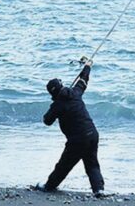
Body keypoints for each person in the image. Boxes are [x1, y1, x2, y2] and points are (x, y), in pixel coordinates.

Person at [36, 59, 105, 197]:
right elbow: (83, 80)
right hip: (92, 134)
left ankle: (49, 186)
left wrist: (54, 105)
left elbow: (47, 121)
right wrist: (87, 66)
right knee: (92, 164)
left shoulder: (57, 105)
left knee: (64, 165)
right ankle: (99, 190)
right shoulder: (75, 93)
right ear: (62, 86)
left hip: (77, 140)